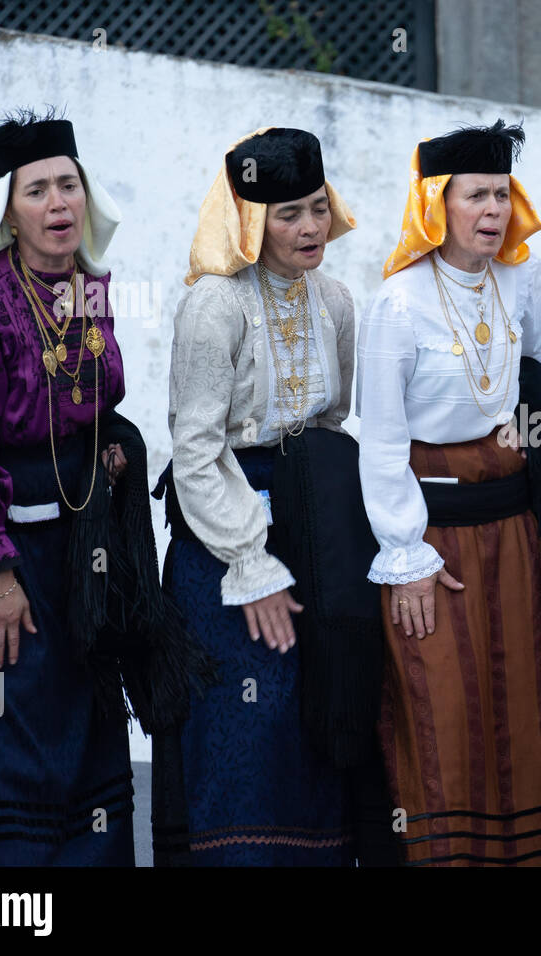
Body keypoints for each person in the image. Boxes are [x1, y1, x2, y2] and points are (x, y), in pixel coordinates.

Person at [0, 109, 206, 864]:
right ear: (7, 209)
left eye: (68, 185)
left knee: (86, 723)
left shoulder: (90, 288)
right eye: (37, 190)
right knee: (10, 726)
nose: (59, 204)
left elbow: (98, 399)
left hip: (79, 555)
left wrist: (108, 451)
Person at [153, 127, 394, 866]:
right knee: (243, 731)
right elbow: (195, 453)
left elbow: (329, 418)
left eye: (319, 208)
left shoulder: (337, 302)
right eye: (289, 212)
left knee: (310, 722)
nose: (312, 227)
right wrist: (249, 566)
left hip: (313, 533)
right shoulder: (215, 307)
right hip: (224, 540)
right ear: (251, 220)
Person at [358, 119, 541, 866]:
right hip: (434, 539)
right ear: (435, 204)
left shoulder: (524, 279)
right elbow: (382, 442)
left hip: (512, 531)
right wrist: (406, 554)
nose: (493, 211)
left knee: (524, 708)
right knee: (442, 713)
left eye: (501, 194)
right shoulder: (399, 302)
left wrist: (535, 440)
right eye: (474, 196)